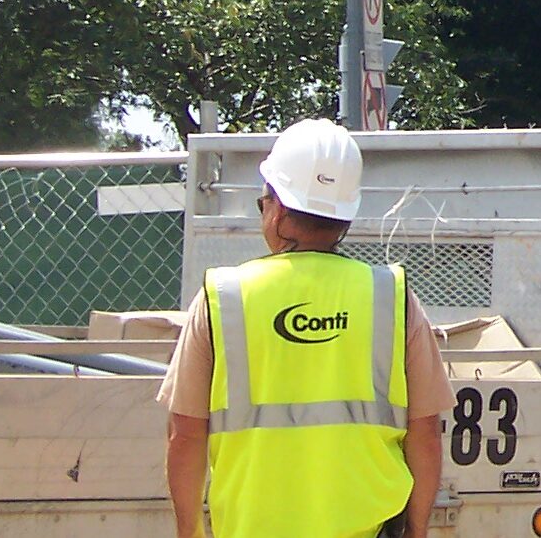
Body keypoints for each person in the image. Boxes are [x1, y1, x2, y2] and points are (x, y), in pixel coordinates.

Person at [160, 120, 453, 538]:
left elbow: (185, 433)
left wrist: (188, 532)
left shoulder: (222, 297)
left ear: (276, 207)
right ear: (345, 217)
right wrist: (418, 530)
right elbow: (425, 430)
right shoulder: (391, 296)